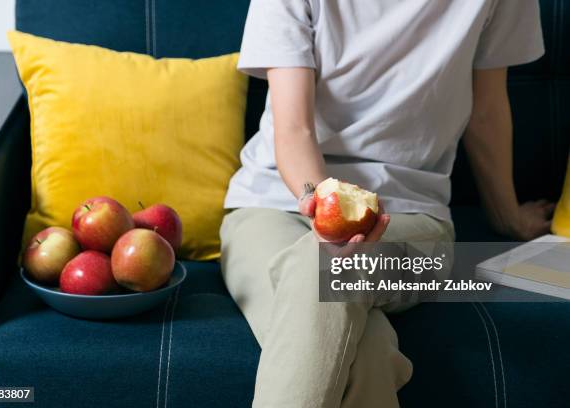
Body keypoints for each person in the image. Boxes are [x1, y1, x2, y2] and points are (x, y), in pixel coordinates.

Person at [220, 1, 553, 407]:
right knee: (369, 354)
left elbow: (486, 111)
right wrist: (319, 200)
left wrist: (508, 216)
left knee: (326, 265)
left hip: (413, 216)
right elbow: (294, 127)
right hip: (270, 205)